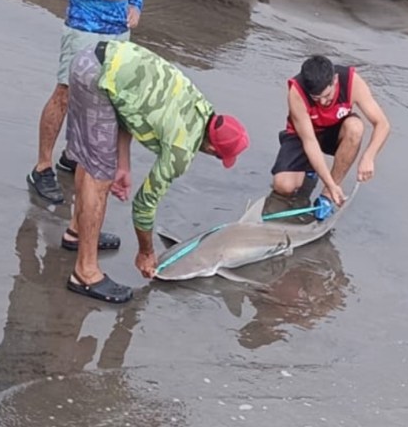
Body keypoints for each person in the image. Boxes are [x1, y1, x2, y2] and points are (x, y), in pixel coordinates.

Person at [64, 40, 250, 303]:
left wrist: (124, 164)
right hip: (96, 79)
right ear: (211, 147)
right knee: (99, 177)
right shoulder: (181, 149)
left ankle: (77, 232)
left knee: (93, 160)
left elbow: (130, 105)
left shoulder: (198, 105)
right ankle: (85, 272)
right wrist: (145, 252)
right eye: (219, 155)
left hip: (96, 58)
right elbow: (143, 205)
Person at [27, 0, 146, 235]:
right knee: (65, 92)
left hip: (119, 28)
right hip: (83, 25)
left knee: (105, 99)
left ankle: (72, 157)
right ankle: (42, 166)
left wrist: (137, 5)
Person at [267, 55, 390, 219]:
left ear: (335, 80)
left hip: (335, 130)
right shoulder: (296, 92)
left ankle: (327, 196)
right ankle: (311, 170)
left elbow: (382, 124)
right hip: (305, 134)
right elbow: (309, 142)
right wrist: (328, 181)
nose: (323, 102)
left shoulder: (352, 82)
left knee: (355, 127)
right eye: (317, 98)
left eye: (327, 95)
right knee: (284, 187)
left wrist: (369, 156)